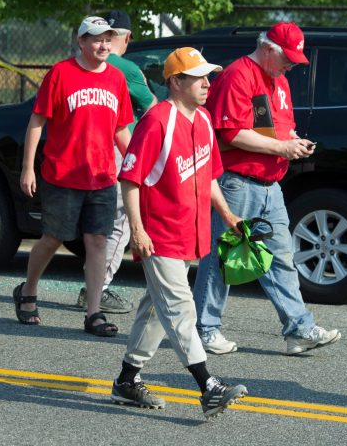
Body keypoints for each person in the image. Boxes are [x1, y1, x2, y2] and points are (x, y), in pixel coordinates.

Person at [111, 47, 248, 418]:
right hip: (159, 233)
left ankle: (127, 379)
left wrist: (229, 215)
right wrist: (137, 229)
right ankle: (208, 386)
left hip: (191, 234)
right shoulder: (157, 120)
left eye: (208, 76)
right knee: (181, 307)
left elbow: (209, 176)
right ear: (176, 82)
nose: (207, 83)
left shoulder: (202, 119)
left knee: (157, 309)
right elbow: (131, 179)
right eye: (198, 76)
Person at [192, 22, 341, 355]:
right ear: (268, 48)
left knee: (280, 257)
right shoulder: (237, 75)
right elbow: (231, 134)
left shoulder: (278, 80)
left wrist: (293, 141)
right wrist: (283, 149)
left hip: (268, 184)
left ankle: (299, 329)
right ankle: (205, 329)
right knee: (223, 257)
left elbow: (273, 129)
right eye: (287, 58)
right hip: (236, 182)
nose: (291, 65)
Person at [14, 16, 133, 336]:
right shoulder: (61, 73)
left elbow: (121, 128)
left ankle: (93, 313)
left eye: (108, 39)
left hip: (103, 175)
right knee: (53, 239)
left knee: (98, 241)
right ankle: (28, 290)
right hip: (63, 174)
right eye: (96, 39)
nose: (103, 45)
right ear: (81, 42)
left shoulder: (116, 79)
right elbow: (37, 121)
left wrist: (137, 162)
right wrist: (28, 167)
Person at [76, 9, 157, 314]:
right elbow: (154, 110)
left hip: (83, 152)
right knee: (119, 223)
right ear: (128, 37)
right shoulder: (127, 68)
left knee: (90, 225)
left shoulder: (83, 62)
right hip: (118, 151)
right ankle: (98, 288)